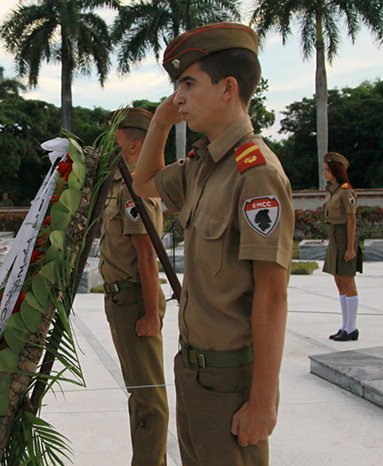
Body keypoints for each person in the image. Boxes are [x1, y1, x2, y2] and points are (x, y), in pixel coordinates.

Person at [132, 23, 294, 465]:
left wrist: (263, 403)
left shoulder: (255, 172)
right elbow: (144, 182)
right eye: (175, 86)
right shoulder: (203, 165)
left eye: (188, 83)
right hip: (194, 373)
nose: (178, 96)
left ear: (228, 88)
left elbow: (272, 295)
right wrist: (162, 120)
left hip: (231, 381)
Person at [101, 108, 168, 466]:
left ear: (134, 145)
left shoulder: (135, 192)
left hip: (133, 301)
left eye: (117, 140)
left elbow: (147, 257)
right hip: (121, 300)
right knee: (138, 395)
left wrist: (150, 315)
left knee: (149, 399)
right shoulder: (118, 184)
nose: (111, 145)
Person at [322, 152, 362, 342]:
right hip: (334, 236)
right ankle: (345, 326)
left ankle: (352, 328)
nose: (326, 174)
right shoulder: (333, 191)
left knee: (348, 281)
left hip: (345, 237)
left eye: (328, 170)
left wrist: (350, 248)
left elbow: (351, 220)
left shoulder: (346, 192)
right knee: (338, 281)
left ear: (337, 171)